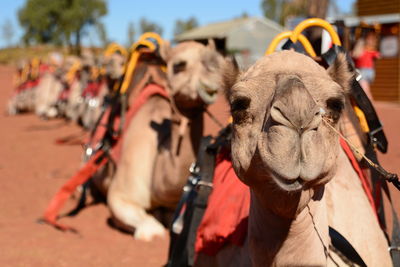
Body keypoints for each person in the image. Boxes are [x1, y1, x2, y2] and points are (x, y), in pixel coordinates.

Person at [352, 31, 381, 100]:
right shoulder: (368, 51)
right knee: (365, 88)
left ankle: (369, 103)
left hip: (365, 71)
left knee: (365, 89)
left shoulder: (368, 51)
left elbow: (378, 55)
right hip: (366, 70)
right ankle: (369, 103)